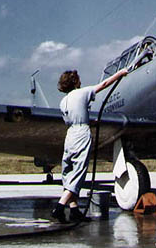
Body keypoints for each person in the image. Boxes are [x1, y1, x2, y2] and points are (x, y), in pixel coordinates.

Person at [52, 68, 128, 223]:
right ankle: (59, 208)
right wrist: (120, 74)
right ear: (75, 82)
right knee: (78, 172)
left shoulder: (63, 102)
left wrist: (90, 122)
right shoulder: (83, 92)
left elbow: (72, 120)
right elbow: (104, 84)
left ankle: (74, 211)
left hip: (70, 135)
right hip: (81, 135)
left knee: (68, 172)